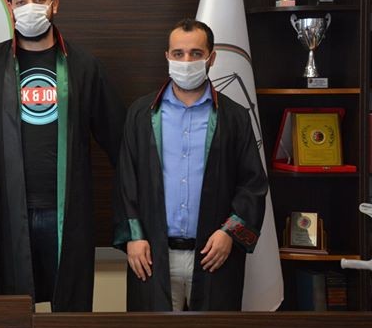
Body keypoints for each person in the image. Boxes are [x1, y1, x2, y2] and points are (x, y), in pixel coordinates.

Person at [0, 0, 125, 311]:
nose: (30, 8)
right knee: (10, 316)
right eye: (21, 2)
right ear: (10, 6)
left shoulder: (83, 66)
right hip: (6, 215)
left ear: (54, 4)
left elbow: (121, 145)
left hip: (66, 214)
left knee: (69, 317)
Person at [114, 19, 267, 311]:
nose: (186, 61)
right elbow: (126, 181)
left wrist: (230, 233)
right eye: (178, 53)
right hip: (152, 254)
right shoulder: (141, 114)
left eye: (196, 53)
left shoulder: (234, 117)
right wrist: (134, 237)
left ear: (211, 58)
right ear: (167, 57)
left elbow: (253, 184)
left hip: (213, 254)